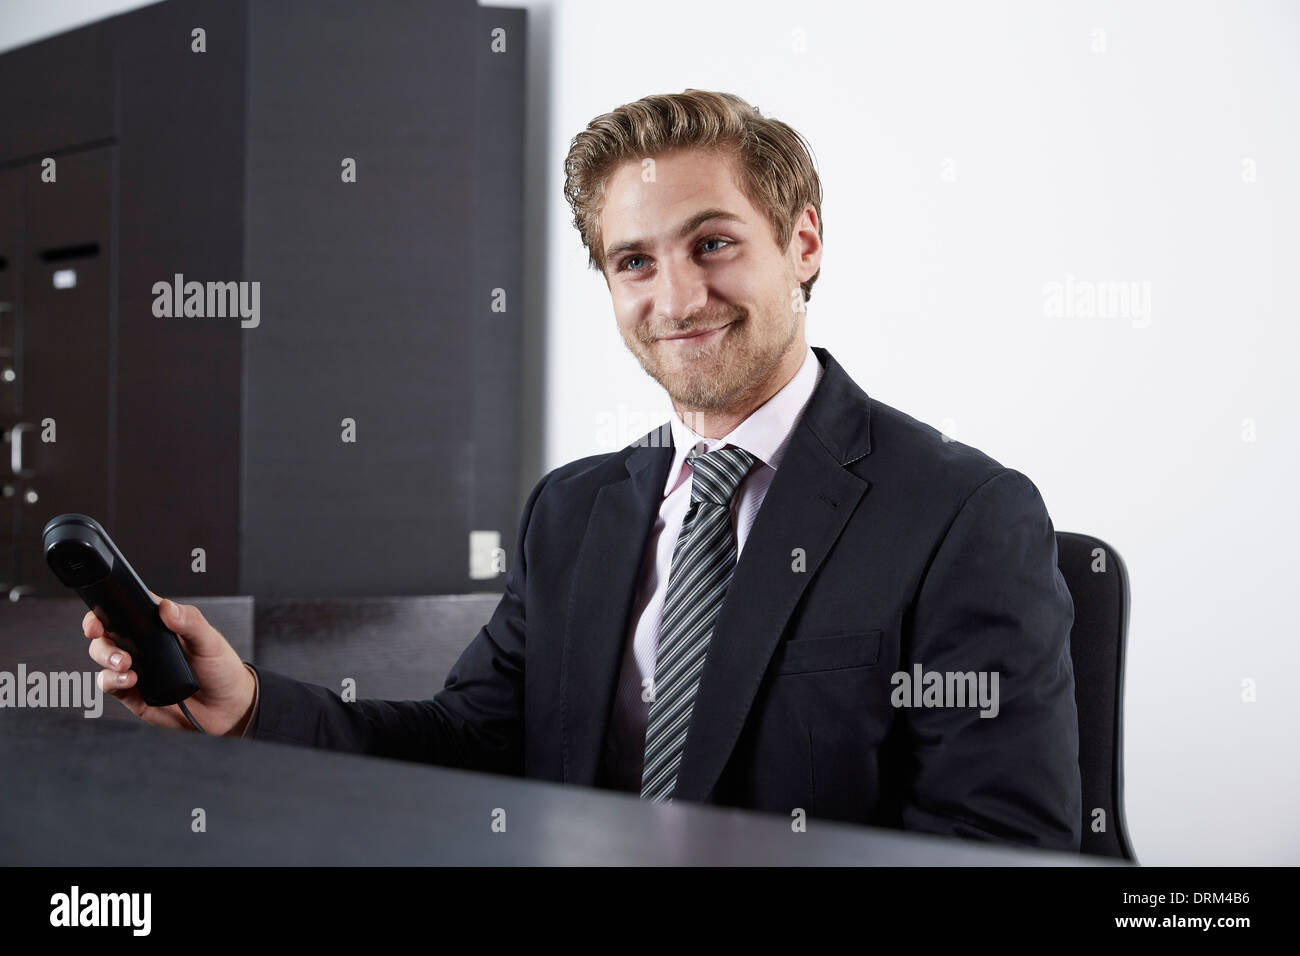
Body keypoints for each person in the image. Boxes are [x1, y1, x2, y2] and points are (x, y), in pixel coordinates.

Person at [84, 89, 1081, 849]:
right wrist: (250, 701)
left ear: (802, 241)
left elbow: (996, 848)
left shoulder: (962, 513)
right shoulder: (573, 510)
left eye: (714, 242)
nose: (678, 294)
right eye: (634, 261)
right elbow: (473, 743)